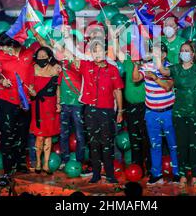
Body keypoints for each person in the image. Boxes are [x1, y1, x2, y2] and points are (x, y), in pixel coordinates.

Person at [69, 38, 124, 184]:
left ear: (105, 52)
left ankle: (110, 174)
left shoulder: (112, 69)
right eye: (94, 51)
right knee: (93, 143)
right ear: (91, 54)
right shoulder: (85, 66)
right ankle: (96, 174)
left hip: (107, 110)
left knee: (107, 142)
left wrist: (120, 111)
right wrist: (65, 36)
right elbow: (71, 56)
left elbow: (118, 91)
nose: (97, 53)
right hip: (90, 110)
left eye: (99, 50)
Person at [159, 42, 196, 194]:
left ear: (193, 53)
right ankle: (182, 176)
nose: (184, 53)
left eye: (187, 50)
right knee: (181, 146)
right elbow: (163, 71)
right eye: (182, 51)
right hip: (179, 113)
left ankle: (194, 176)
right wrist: (157, 58)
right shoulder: (175, 68)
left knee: (195, 146)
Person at [133, 43, 179, 185]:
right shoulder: (147, 66)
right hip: (151, 113)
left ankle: (177, 174)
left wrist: (155, 77)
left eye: (157, 53)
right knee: (155, 145)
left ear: (164, 55)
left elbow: (168, 86)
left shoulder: (171, 68)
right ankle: (156, 173)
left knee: (173, 145)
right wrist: (136, 65)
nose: (154, 55)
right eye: (152, 53)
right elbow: (135, 79)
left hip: (168, 112)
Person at [0, 32, 35, 176]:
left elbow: (37, 70)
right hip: (6, 101)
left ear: (13, 44)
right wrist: (1, 81)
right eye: (1, 47)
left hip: (25, 101)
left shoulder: (28, 53)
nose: (2, 50)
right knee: (7, 135)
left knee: (22, 135)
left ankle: (21, 163)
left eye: (5, 47)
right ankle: (8, 168)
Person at [28, 46, 61, 175]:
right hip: (38, 106)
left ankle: (46, 164)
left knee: (48, 136)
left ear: (49, 57)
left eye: (44, 56)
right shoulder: (32, 68)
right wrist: (31, 91)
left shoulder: (55, 70)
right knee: (39, 136)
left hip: (50, 105)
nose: (41, 58)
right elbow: (30, 85)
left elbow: (57, 88)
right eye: (39, 56)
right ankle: (38, 162)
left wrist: (58, 103)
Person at [57, 34, 86, 170]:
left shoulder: (80, 63)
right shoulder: (60, 66)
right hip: (64, 103)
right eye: (66, 46)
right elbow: (58, 85)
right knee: (63, 134)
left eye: (71, 45)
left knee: (80, 134)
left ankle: (79, 160)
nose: (68, 48)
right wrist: (58, 102)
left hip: (77, 104)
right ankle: (65, 159)